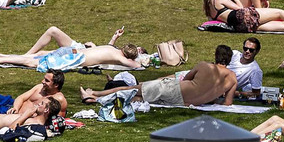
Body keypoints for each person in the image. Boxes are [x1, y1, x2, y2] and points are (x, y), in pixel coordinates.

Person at [80, 47, 240, 107]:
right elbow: (227, 103)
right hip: (186, 103)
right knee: (139, 99)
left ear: (216, 56)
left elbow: (185, 80)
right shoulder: (232, 78)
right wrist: (210, 97)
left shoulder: (205, 66)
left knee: (132, 89)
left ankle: (95, 94)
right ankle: (97, 100)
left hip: (176, 90)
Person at [0, 26, 151, 71]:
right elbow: (137, 66)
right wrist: (142, 62)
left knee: (38, 58)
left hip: (73, 52)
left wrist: (115, 37)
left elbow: (110, 48)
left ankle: (1, 57)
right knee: (32, 62)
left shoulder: (112, 49)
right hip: (73, 58)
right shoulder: (119, 57)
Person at [0, 70, 69, 117]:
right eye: (44, 79)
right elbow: (21, 97)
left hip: (10, 115)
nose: (42, 82)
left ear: (56, 85)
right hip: (11, 104)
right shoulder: (39, 87)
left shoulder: (58, 100)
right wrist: (16, 107)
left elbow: (56, 120)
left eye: (47, 81)